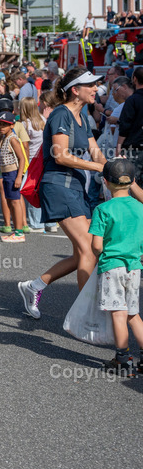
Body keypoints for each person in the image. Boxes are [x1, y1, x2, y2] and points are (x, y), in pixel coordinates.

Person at [18, 67, 108, 319]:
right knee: (90, 249)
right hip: (59, 187)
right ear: (75, 90)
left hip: (77, 189)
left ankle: (34, 285)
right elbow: (60, 155)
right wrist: (98, 167)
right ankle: (87, 314)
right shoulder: (61, 114)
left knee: (82, 252)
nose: (96, 89)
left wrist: (110, 169)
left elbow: (95, 151)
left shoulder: (84, 118)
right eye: (90, 85)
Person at [89, 159, 143, 375]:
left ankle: (123, 359)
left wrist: (97, 257)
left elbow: (96, 245)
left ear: (105, 182)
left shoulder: (103, 209)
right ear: (133, 181)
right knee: (133, 314)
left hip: (112, 267)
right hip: (134, 266)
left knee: (118, 314)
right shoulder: (140, 208)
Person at [0, 111, 28, 242]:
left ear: (12, 126)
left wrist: (19, 176)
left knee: (15, 202)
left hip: (13, 173)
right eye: (0, 124)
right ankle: (16, 230)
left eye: (5, 125)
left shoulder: (13, 139)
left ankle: (19, 232)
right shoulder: (4, 138)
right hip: (6, 173)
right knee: (10, 201)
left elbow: (21, 159)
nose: (2, 127)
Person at [20, 97, 46, 231]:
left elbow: (23, 145)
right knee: (42, 191)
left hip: (30, 160)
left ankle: (36, 223)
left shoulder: (25, 124)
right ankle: (49, 222)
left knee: (30, 191)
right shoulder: (43, 120)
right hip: (43, 158)